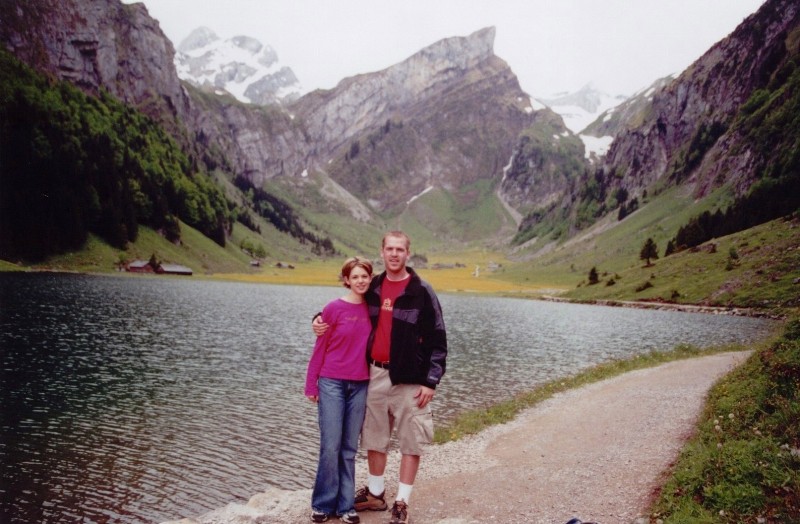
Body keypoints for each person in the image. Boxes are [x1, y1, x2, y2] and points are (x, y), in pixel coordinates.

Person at [313, 231, 447, 524]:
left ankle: (401, 501)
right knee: (375, 437)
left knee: (411, 440)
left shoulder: (421, 291)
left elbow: (438, 338)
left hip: (411, 378)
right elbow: (346, 306)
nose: (395, 254)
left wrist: (431, 380)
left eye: (400, 249)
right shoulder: (372, 286)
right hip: (374, 373)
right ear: (382, 252)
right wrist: (318, 318)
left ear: (408, 254)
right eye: (390, 249)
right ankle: (376, 495)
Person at [305, 256, 374, 524]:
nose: (360, 281)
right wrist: (311, 384)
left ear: (370, 278)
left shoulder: (373, 309)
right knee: (330, 445)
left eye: (364, 276)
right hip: (331, 382)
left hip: (361, 384)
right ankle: (322, 504)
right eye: (355, 277)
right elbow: (319, 348)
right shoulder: (332, 309)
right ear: (346, 279)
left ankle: (346, 507)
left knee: (349, 448)